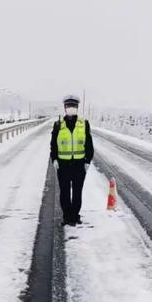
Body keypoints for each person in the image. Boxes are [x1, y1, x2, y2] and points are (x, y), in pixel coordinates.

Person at [50, 95, 94, 226]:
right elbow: (53, 144)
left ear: (77, 107)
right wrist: (54, 159)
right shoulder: (58, 125)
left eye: (73, 106)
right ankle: (67, 217)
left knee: (77, 192)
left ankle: (75, 216)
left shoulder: (84, 124)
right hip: (63, 165)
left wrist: (87, 161)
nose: (71, 108)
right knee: (64, 193)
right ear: (65, 108)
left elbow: (89, 144)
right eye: (69, 106)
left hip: (79, 165)